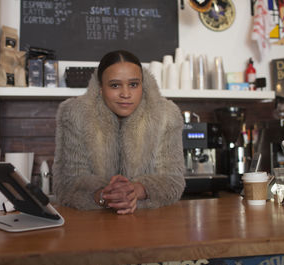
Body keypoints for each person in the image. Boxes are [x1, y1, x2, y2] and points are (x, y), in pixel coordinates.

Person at [52, 50, 186, 214]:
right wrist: (104, 195)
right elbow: (66, 184)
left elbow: (173, 180)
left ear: (142, 86)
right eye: (115, 85)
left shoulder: (166, 115)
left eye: (133, 84)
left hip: (150, 226)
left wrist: (135, 191)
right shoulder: (75, 115)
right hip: (93, 229)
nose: (125, 94)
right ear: (101, 88)